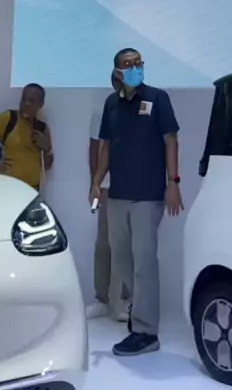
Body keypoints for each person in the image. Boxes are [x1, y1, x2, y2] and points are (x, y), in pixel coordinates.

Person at [89, 49, 183, 357]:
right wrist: (96, 182)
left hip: (148, 194)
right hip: (117, 194)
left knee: (144, 261)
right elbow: (106, 146)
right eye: (128, 64)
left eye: (138, 63)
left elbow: (171, 140)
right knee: (122, 258)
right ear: (117, 71)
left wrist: (174, 182)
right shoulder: (111, 104)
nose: (135, 67)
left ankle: (146, 332)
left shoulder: (158, 98)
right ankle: (139, 311)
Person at [86, 71, 131, 322]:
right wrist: (94, 183)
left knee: (129, 243)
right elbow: (94, 148)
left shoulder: (144, 109)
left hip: (136, 187)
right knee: (104, 243)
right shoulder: (103, 110)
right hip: (107, 185)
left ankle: (127, 300)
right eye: (117, 80)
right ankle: (101, 299)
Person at [0, 83, 53, 190]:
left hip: (31, 190)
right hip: (6, 188)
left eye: (31, 101)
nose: (26, 104)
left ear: (41, 104)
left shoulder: (42, 128)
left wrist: (47, 149)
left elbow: (47, 166)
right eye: (24, 99)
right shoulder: (9, 118)